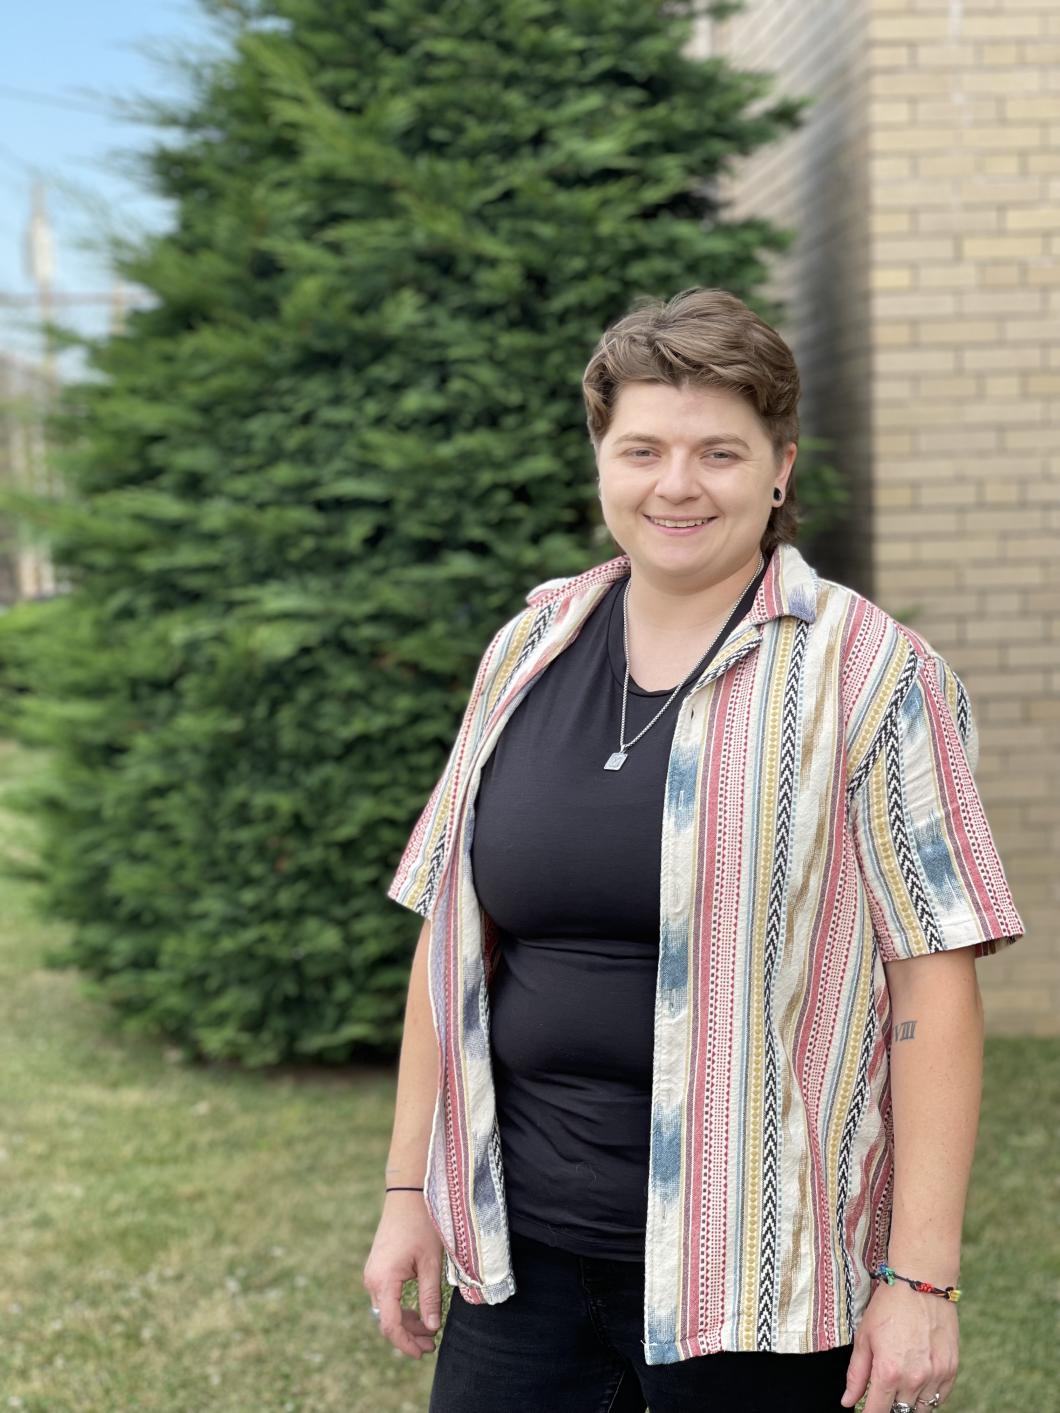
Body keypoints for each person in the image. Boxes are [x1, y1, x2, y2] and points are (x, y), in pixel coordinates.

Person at [362, 287, 1024, 1413]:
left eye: (720, 451)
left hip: (757, 1287)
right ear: (602, 463)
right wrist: (404, 1191)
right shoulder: (526, 646)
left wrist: (920, 1276)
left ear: (778, 469)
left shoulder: (871, 675)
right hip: (517, 1256)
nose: (676, 484)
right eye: (643, 449)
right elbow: (452, 938)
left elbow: (932, 981)